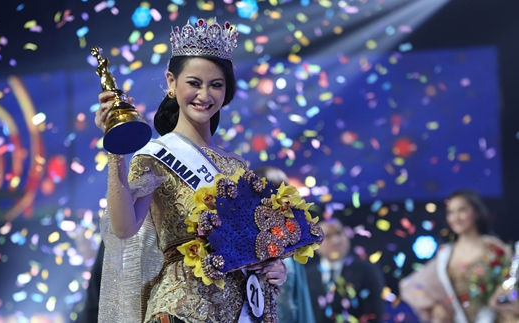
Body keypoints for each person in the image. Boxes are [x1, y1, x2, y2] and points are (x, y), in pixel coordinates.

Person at [94, 18, 287, 323]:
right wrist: (116, 152)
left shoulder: (238, 166)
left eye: (216, 85)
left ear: (227, 91)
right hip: (179, 310)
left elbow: (252, 246)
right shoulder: (156, 156)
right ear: (172, 82)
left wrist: (273, 268)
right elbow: (123, 228)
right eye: (194, 83)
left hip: (238, 312)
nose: (204, 95)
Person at [400, 190, 510, 323]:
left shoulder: (495, 249)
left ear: (476, 212)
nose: (455, 217)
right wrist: (435, 306)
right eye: (450, 212)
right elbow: (413, 285)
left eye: (461, 210)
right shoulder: (445, 254)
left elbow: (511, 287)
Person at [254, 166, 317, 323]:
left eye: (283, 193)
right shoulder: (242, 239)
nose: (278, 200)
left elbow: (301, 299)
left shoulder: (293, 240)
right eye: (272, 191)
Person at [304, 218, 385, 323]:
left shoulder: (367, 271)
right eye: (328, 236)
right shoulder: (306, 276)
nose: (336, 241)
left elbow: (373, 313)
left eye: (339, 233)